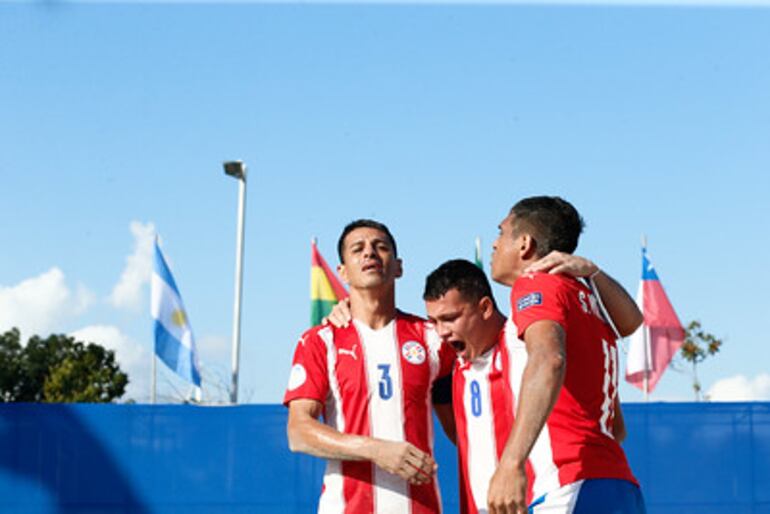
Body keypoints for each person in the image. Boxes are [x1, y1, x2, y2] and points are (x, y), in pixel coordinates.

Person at [422, 257, 639, 514]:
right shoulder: (450, 360)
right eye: (434, 321)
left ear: (485, 307)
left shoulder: (525, 340)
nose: (441, 331)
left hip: (544, 500)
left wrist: (591, 270)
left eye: (450, 318)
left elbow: (615, 424)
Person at [486, 196, 646, 514]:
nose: (494, 243)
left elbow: (548, 360)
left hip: (570, 484)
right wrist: (595, 272)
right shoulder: (589, 298)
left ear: (524, 244)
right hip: (617, 486)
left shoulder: (536, 283)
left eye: (501, 232)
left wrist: (510, 463)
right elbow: (618, 427)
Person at [284, 219, 455, 514]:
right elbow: (299, 432)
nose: (370, 254)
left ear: (399, 266)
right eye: (358, 249)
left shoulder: (433, 338)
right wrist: (376, 450)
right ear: (342, 271)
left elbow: (463, 420)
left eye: (381, 247)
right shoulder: (320, 341)